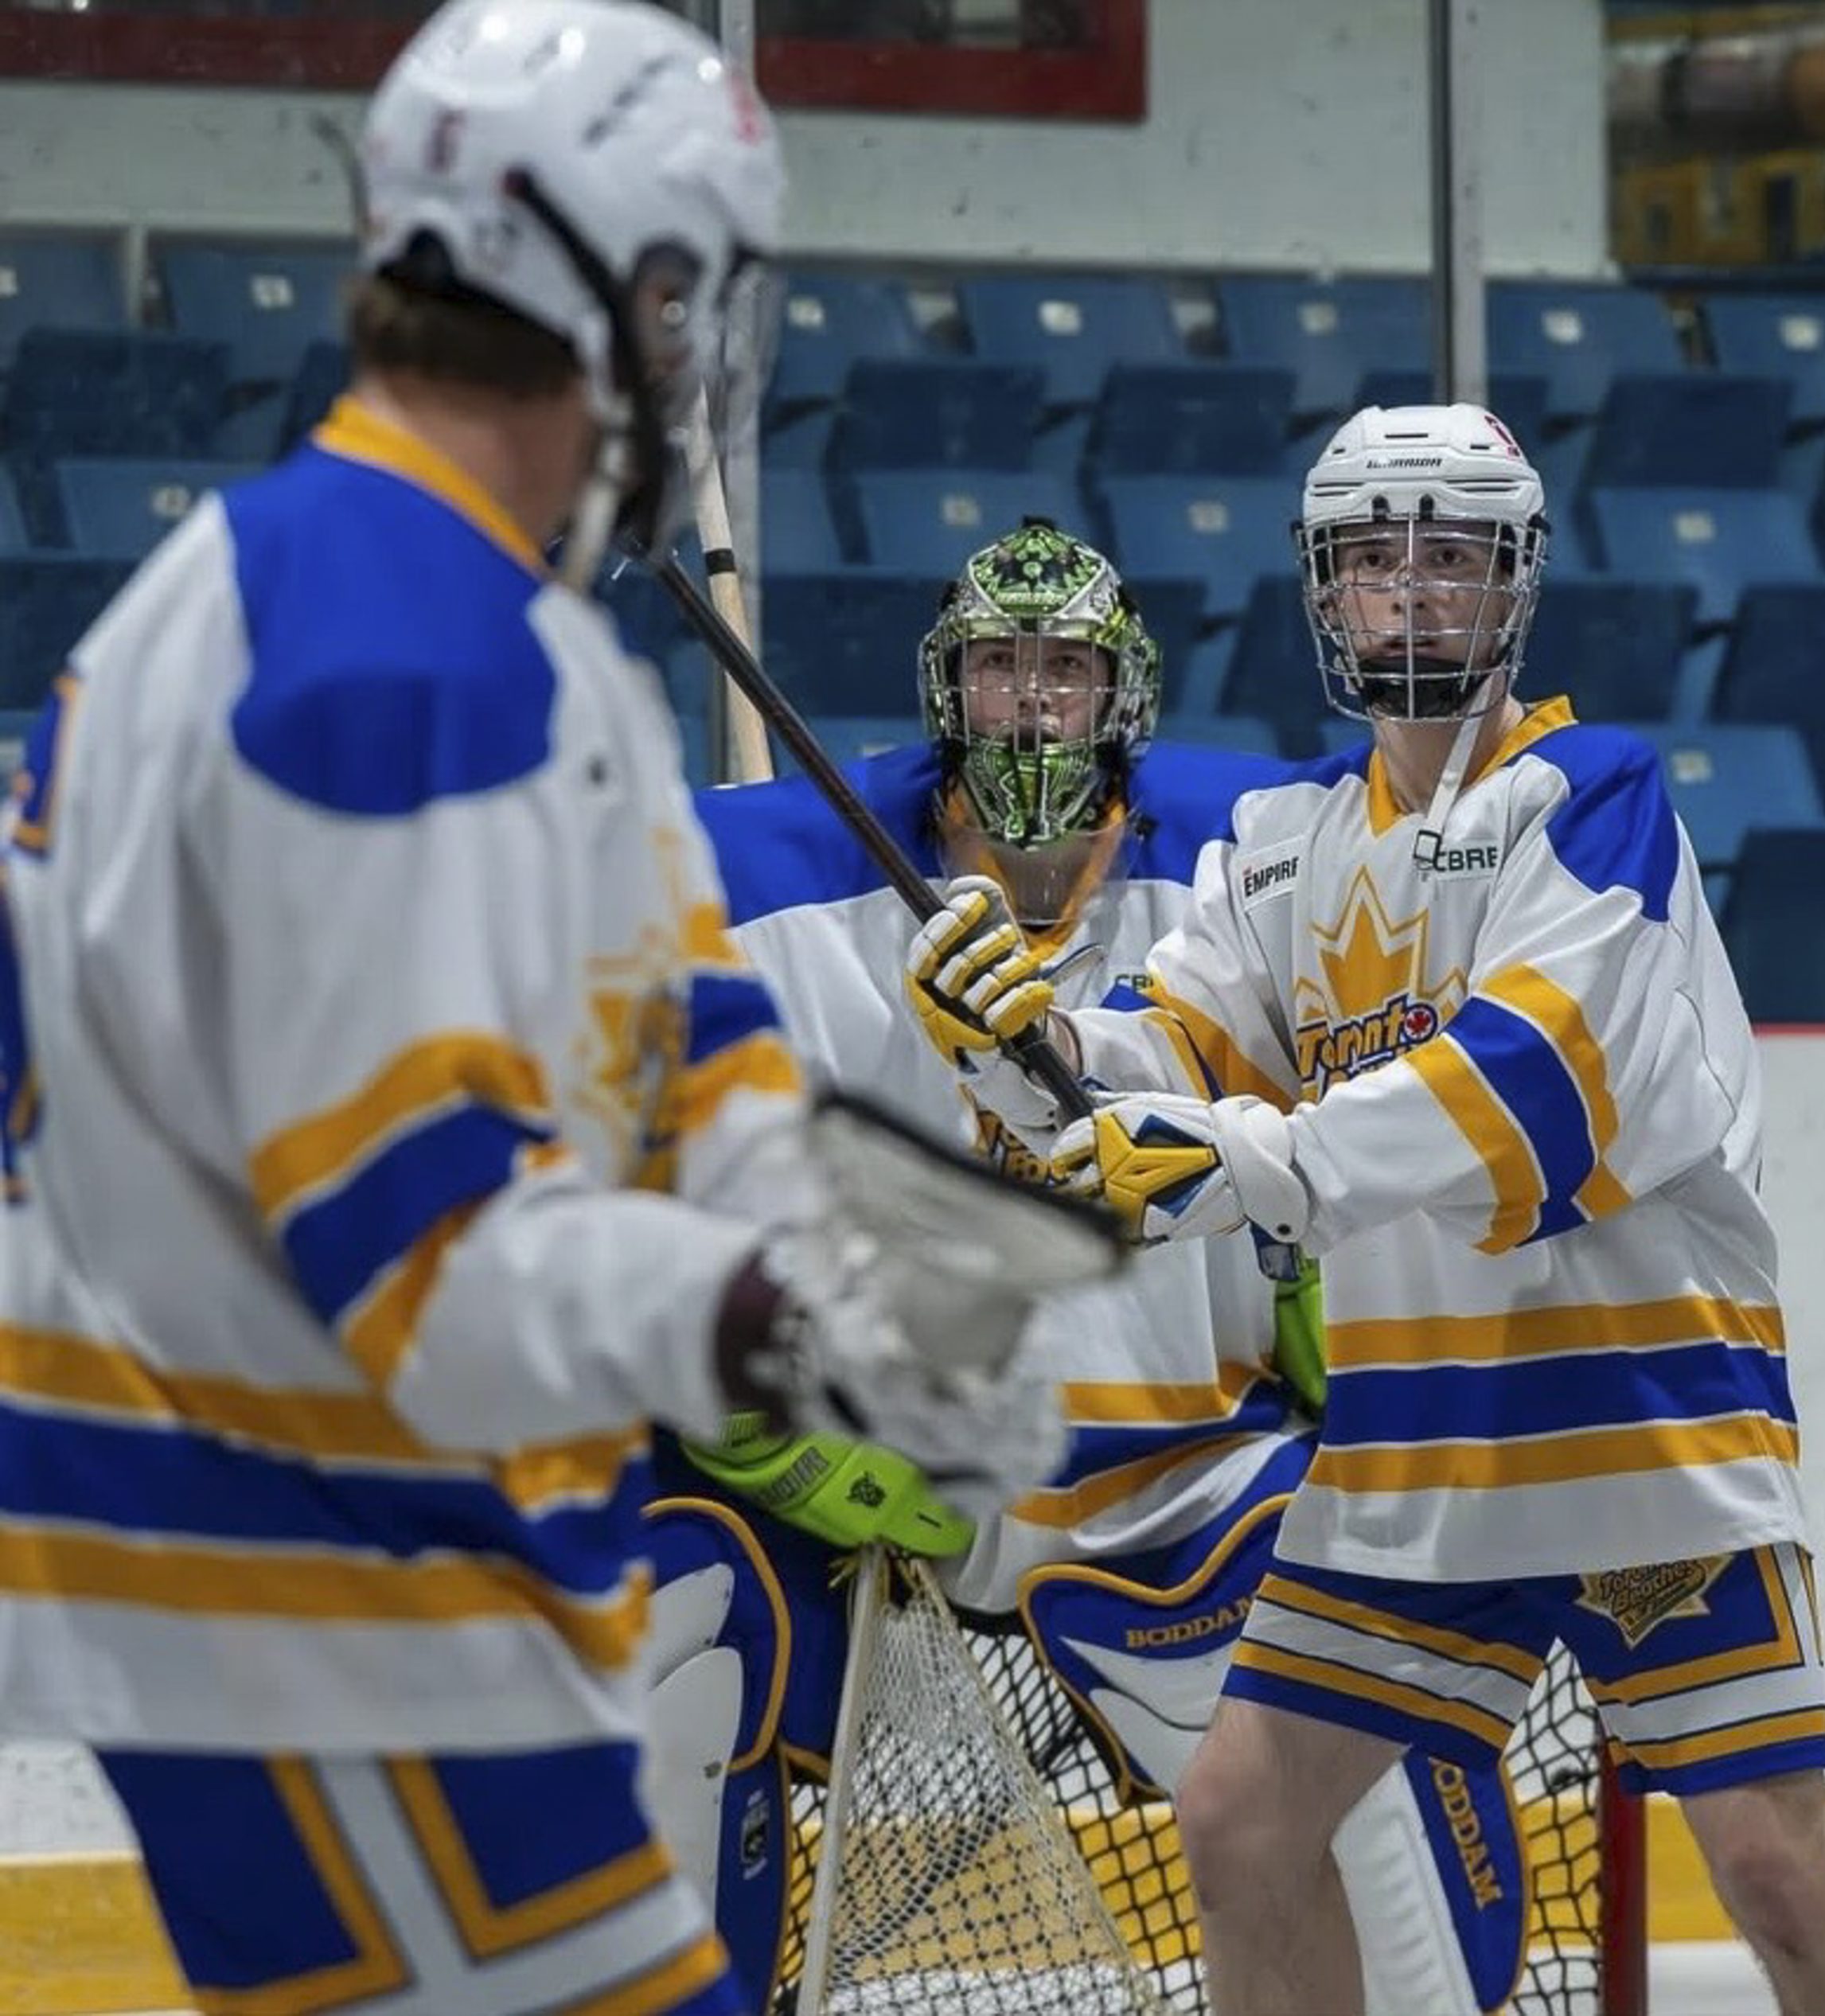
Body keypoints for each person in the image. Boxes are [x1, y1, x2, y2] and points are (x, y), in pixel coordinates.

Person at [0, 10, 1112, 2014]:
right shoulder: (377, 647)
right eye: (697, 305)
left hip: (376, 1543)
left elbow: (688, 1045)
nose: (698, 362)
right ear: (638, 292)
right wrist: (783, 1325)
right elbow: (410, 1243)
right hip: (294, 1557)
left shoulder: (491, 625)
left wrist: (882, 1256)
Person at [903, 409, 1825, 2016]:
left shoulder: (1588, 794)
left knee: (1771, 1866)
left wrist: (1242, 1161)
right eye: (1372, 559)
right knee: (1242, 1818)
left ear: (1513, 582)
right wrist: (1022, 1041)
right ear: (1324, 590)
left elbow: (1527, 1086)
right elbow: (1167, 1049)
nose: (1410, 590)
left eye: (1449, 554)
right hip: (1415, 1434)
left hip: (1640, 1410)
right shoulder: (1283, 847)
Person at [641, 520, 1534, 2016]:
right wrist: (766, 1433)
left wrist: (1349, 1305)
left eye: (1066, 669)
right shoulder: (759, 886)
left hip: (1184, 1478)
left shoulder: (1263, 858)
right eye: (1002, 667)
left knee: (1362, 1738)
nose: (1035, 702)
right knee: (655, 1640)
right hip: (856, 1481)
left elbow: (1395, 1099)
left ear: (1124, 694)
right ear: (950, 687)